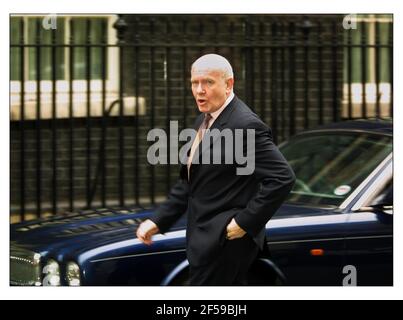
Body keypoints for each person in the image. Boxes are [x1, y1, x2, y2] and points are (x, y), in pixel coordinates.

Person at [136, 54, 295, 285]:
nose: (199, 90)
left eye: (208, 82)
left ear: (228, 84)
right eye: (194, 83)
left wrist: (244, 223)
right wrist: (158, 221)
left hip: (226, 244)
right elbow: (190, 183)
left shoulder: (245, 124)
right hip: (203, 244)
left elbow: (282, 178)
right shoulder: (203, 121)